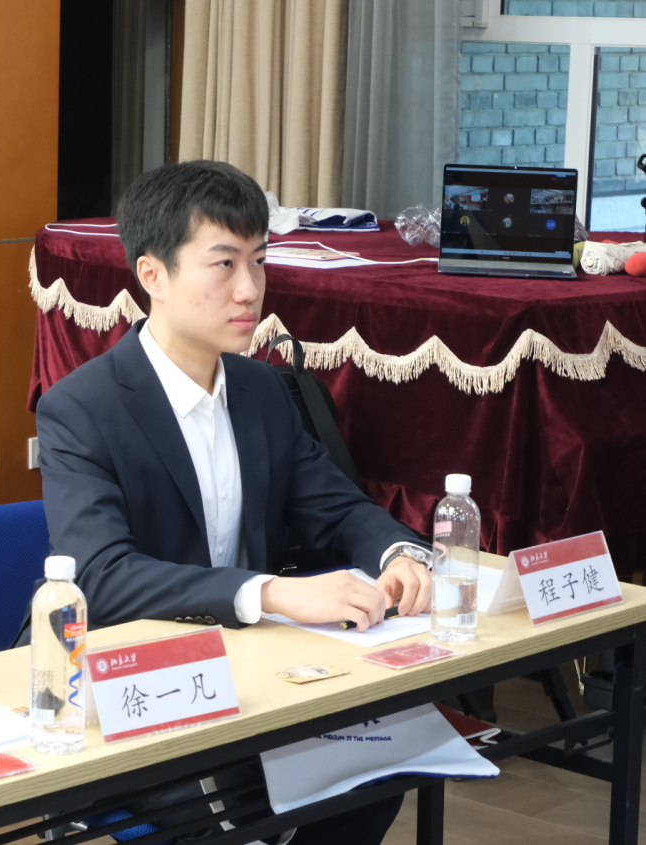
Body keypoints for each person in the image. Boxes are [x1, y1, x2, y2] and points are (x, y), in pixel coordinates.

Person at [34, 161, 431, 844]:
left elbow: (337, 507)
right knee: (251, 814)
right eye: (223, 264)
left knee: (377, 771)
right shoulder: (82, 407)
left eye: (259, 261)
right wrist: (271, 592)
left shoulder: (262, 391)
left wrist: (398, 553)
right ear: (152, 275)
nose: (250, 289)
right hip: (131, 682)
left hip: (249, 672)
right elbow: (101, 576)